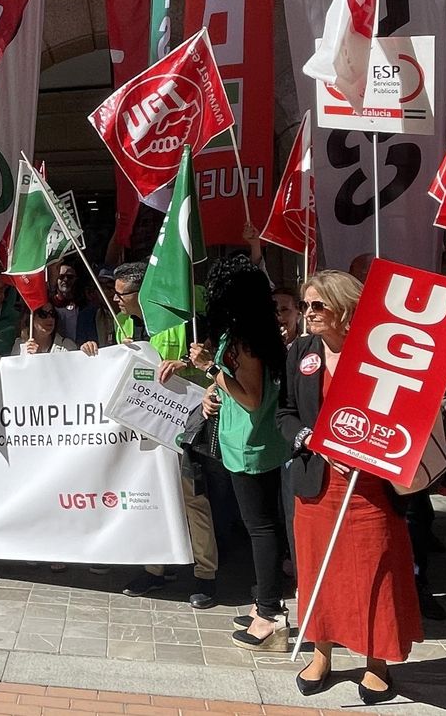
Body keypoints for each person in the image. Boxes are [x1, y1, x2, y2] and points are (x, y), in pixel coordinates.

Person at [277, 271, 420, 704]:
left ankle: (377, 661)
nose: (309, 313)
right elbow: (285, 413)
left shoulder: (380, 354)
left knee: (374, 571)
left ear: (345, 307)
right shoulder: (301, 351)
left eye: (318, 305)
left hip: (370, 487)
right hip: (317, 485)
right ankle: (322, 654)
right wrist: (312, 440)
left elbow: (406, 412)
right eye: (306, 305)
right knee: (318, 569)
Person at [165, 254, 290, 650]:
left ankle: (269, 613)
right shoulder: (252, 330)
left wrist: (210, 371)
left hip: (252, 443)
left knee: (261, 528)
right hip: (247, 440)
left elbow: (251, 398)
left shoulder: (245, 339)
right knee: (260, 526)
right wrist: (212, 388)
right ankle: (262, 602)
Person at [91, 263, 219, 609]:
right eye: (114, 293)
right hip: (141, 426)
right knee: (150, 494)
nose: (116, 299)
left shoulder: (182, 318)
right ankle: (155, 567)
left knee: (191, 498)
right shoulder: (123, 325)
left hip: (183, 421)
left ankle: (205, 574)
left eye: (122, 293)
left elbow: (209, 362)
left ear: (141, 293)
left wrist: (185, 365)